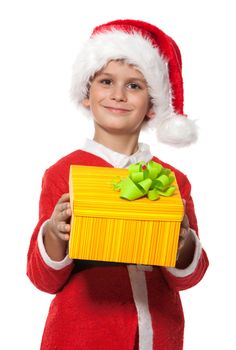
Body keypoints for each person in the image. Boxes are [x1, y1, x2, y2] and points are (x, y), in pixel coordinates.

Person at [27, 19, 209, 350]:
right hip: (81, 335)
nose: (118, 95)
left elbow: (188, 277)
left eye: (135, 86)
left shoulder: (173, 180)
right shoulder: (62, 173)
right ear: (87, 93)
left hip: (158, 334)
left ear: (153, 105)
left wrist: (182, 241)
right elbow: (43, 278)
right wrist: (54, 233)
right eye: (106, 81)